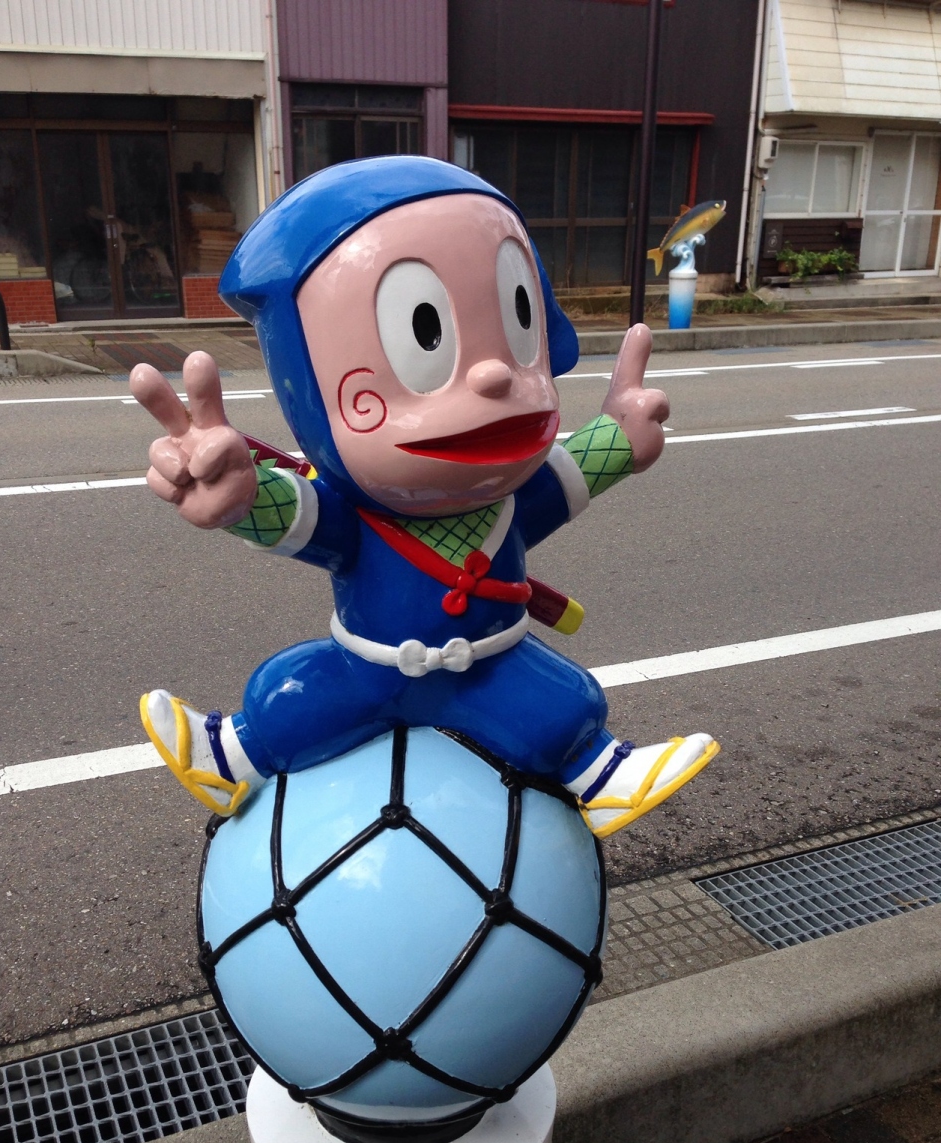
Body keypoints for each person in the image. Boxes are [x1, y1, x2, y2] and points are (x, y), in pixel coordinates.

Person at [133, 156, 718, 836]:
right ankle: (230, 756)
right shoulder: (357, 520)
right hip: (369, 670)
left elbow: (569, 476)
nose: (495, 374)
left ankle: (600, 774)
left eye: (518, 317)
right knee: (290, 691)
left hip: (492, 666)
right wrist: (242, 498)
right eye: (425, 330)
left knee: (564, 704)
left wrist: (620, 435)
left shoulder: (511, 499)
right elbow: (298, 513)